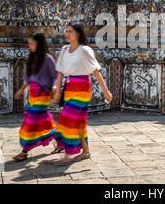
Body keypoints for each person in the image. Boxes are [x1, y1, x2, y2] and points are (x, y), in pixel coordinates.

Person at [48, 22, 112, 165]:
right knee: (78, 123)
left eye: (70, 31)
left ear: (77, 33)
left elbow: (95, 71)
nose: (67, 34)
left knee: (67, 119)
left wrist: (106, 91)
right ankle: (86, 151)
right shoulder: (64, 50)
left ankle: (67, 155)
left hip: (82, 88)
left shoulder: (85, 50)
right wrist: (57, 91)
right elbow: (60, 72)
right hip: (69, 87)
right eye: (66, 31)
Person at [13, 33, 58, 161]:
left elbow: (55, 76)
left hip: (43, 93)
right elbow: (28, 79)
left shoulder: (48, 59)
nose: (30, 46)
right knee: (44, 121)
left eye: (32, 44)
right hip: (33, 94)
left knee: (31, 121)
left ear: (39, 44)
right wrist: (21, 90)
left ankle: (24, 151)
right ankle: (60, 142)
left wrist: (55, 87)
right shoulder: (31, 60)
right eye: (29, 44)